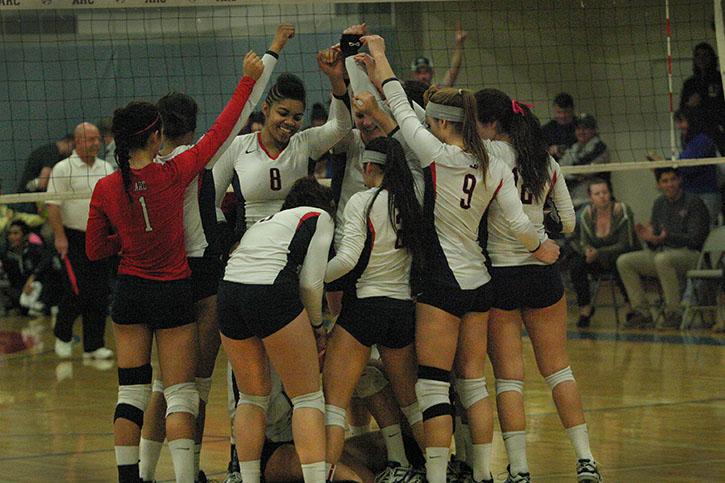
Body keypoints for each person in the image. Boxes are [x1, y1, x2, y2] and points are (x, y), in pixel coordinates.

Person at [359, 34, 559, 483]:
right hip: (479, 281)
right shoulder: (494, 164)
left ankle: (435, 476)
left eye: (432, 122)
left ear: (443, 124)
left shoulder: (438, 155)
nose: (426, 127)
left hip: (441, 281)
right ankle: (484, 474)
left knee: (431, 383)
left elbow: (403, 114)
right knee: (471, 382)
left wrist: (382, 64)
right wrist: (542, 249)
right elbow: (521, 224)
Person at [85, 52, 262, 483]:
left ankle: (131, 478)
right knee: (181, 394)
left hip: (129, 292)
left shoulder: (106, 187)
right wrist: (247, 81)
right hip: (173, 293)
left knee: (132, 393)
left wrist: (125, 240)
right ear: (155, 137)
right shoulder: (174, 173)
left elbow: (93, 250)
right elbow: (221, 130)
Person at [138, 26, 292, 483]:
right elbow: (244, 107)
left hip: (158, 275)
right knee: (195, 387)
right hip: (203, 275)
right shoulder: (206, 156)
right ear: (192, 123)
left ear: (157, 129)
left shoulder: (138, 170)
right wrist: (274, 50)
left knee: (163, 386)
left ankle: (143, 474)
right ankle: (190, 474)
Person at [213, 45, 351, 483]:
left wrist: (335, 79)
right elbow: (211, 205)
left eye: (295, 116)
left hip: (295, 259)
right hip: (253, 260)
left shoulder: (305, 144)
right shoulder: (239, 148)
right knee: (251, 381)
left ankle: (284, 455)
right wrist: (229, 246)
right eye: (283, 114)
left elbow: (342, 125)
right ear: (266, 109)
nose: (289, 123)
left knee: (289, 378)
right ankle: (242, 463)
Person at [475, 88, 602, 483]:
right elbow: (568, 224)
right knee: (559, 371)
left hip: (501, 276)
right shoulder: (547, 162)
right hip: (541, 274)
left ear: (493, 123)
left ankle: (521, 469)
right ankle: (586, 460)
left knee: (510, 377)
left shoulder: (490, 155)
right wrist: (540, 225)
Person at [217, 177, 335, 483]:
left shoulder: (266, 223)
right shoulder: (319, 217)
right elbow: (311, 282)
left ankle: (247, 478)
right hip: (268, 290)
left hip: (228, 292)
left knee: (251, 398)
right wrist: (316, 326)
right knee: (307, 398)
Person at [322, 136, 425, 482]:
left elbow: (349, 259)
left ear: (368, 167)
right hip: (400, 310)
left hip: (364, 309)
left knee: (334, 402)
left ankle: (326, 474)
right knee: (413, 403)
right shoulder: (412, 201)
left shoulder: (362, 201)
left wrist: (313, 277)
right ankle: (432, 468)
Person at [48, 122, 115, 361]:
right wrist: (59, 236)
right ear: (77, 142)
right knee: (76, 290)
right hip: (72, 237)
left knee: (99, 292)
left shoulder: (106, 167)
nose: (96, 143)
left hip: (99, 238)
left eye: (98, 139)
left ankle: (93, 346)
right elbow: (53, 205)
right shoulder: (63, 168)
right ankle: (62, 334)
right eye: (90, 139)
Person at [617, 167, 710, 329]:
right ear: (659, 185)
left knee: (663, 259)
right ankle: (643, 312)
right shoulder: (659, 203)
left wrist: (666, 237)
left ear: (679, 180)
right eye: (665, 181)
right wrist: (650, 239)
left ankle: (674, 313)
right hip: (663, 253)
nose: (670, 184)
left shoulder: (693, 202)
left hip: (692, 255)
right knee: (625, 261)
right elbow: (657, 237)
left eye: (673, 179)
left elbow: (696, 239)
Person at [569, 178, 636, 327]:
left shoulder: (622, 210)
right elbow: (583, 242)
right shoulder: (587, 214)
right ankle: (585, 308)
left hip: (621, 256)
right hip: (598, 260)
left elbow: (626, 244)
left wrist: (598, 252)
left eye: (605, 192)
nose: (602, 196)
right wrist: (588, 251)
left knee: (620, 261)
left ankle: (630, 306)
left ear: (610, 193)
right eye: (597, 193)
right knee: (576, 264)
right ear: (590, 197)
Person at [0, 220, 61, 316]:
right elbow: (12, 280)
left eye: (16, 233)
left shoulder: (35, 249)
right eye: (10, 234)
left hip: (39, 287)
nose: (12, 237)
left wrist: (32, 278)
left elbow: (47, 262)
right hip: (23, 292)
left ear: (25, 236)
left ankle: (44, 305)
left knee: (51, 274)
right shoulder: (7, 256)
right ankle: (23, 307)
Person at [679, 42, 725, 153]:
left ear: (712, 57)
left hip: (718, 129)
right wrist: (689, 104)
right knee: (700, 165)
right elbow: (681, 110)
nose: (701, 58)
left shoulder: (720, 79)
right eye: (698, 55)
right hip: (696, 132)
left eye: (705, 55)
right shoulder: (690, 83)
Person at [558, 113, 610, 208]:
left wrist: (572, 174)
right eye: (578, 128)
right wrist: (573, 174)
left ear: (594, 130)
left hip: (591, 202)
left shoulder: (600, 148)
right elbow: (559, 170)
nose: (581, 132)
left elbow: (584, 171)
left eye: (585, 128)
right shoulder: (573, 148)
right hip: (571, 201)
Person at [15, 134, 74, 214]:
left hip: (27, 198)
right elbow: (42, 183)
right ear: (69, 143)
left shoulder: (49, 150)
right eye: (74, 147)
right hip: (29, 201)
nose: (73, 151)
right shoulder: (52, 153)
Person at [410, 23, 467, 88]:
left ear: (432, 73)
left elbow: (453, 71)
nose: (423, 77)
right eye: (419, 72)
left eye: (426, 72)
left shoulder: (437, 92)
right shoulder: (406, 92)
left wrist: (459, 44)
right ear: (413, 75)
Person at [541, 92, 576, 161]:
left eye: (566, 112)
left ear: (573, 109)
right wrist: (549, 150)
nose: (563, 116)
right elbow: (538, 152)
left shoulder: (582, 128)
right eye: (559, 112)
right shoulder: (546, 130)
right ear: (554, 109)